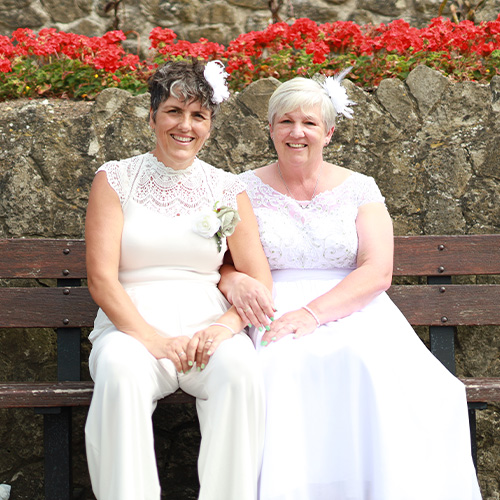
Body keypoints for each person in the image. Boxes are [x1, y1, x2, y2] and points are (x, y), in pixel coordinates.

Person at [220, 71, 482, 499]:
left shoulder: (360, 188)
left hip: (355, 303)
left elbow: (377, 270)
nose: (297, 132)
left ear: (329, 131)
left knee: (370, 364)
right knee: (278, 367)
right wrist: (234, 283)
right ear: (270, 129)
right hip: (273, 304)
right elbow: (222, 262)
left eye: (309, 122)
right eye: (285, 121)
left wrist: (312, 314)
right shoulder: (240, 189)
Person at [84, 60, 272, 500]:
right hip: (131, 326)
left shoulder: (228, 188)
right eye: (173, 111)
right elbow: (100, 277)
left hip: (207, 325)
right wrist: (152, 340)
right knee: (118, 370)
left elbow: (258, 275)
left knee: (241, 369)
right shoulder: (115, 179)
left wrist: (224, 328)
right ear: (152, 117)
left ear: (209, 125)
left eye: (198, 115)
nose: (184, 125)